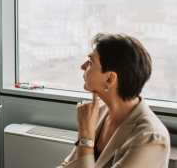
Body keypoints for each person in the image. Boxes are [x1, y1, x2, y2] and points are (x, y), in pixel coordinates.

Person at [58, 33, 170, 168]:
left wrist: (85, 137)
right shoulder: (97, 112)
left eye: (90, 63)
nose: (83, 66)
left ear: (110, 79)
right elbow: (67, 165)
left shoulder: (151, 138)